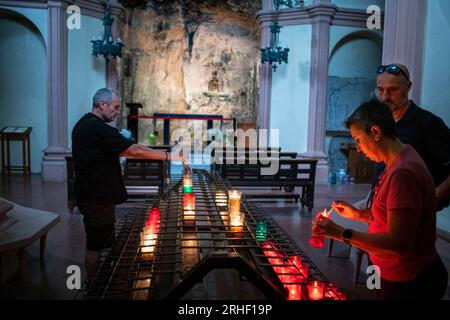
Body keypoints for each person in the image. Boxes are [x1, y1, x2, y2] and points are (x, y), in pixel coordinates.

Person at [314, 100, 448, 300]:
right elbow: (390, 214)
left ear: (376, 132)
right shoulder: (398, 159)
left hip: (407, 280)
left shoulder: (403, 173)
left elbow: (398, 242)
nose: (357, 148)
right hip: (383, 270)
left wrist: (341, 233)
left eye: (358, 139)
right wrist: (358, 214)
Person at [72, 88, 184, 282]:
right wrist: (169, 156)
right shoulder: (97, 128)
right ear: (102, 105)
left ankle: (98, 282)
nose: (117, 112)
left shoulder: (83, 124)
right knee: (96, 244)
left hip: (91, 193)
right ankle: (94, 287)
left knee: (100, 239)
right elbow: (135, 150)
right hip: (97, 196)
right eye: (115, 107)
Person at [371, 63, 450, 211]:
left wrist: (431, 198)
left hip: (410, 212)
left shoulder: (426, 123)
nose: (385, 97)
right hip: (383, 207)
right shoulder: (382, 122)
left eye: (393, 90)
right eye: (381, 90)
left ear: (408, 87)